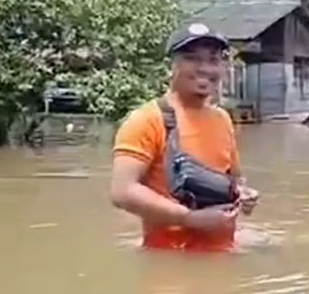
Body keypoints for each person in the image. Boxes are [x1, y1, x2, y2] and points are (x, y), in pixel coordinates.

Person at [110, 22, 259, 251]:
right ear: (171, 66)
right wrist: (188, 218)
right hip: (170, 262)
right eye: (192, 58)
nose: (204, 69)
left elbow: (236, 180)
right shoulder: (147, 119)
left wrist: (244, 195)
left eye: (213, 60)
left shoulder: (222, 119)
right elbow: (122, 191)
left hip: (223, 259)